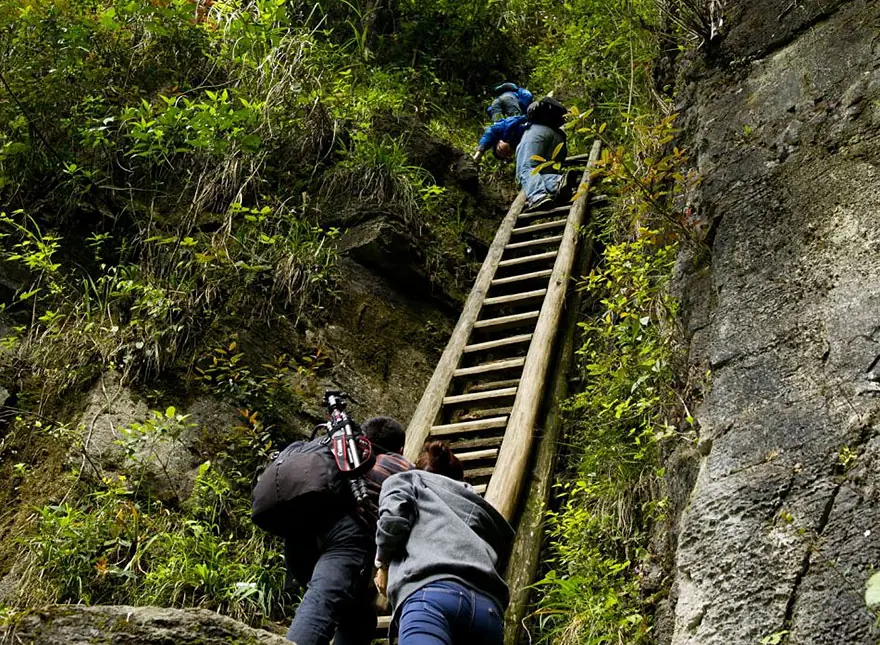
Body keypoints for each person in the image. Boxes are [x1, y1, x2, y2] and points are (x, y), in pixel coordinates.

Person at [284, 416, 414, 645]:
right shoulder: (400, 467)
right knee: (322, 604)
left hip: (300, 534)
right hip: (347, 537)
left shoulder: (341, 455)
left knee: (359, 618)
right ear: (401, 449)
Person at [374, 441, 515, 644]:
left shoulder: (407, 479)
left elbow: (393, 519)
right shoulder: (477, 505)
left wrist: (383, 563)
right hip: (487, 608)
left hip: (430, 595)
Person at [472, 113, 569, 211]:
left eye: (501, 151)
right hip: (558, 138)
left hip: (536, 132)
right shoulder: (521, 142)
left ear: (498, 143)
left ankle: (537, 196)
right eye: (506, 156)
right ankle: (556, 183)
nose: (506, 153)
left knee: (524, 170)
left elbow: (490, 131)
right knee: (538, 173)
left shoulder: (505, 129)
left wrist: (478, 155)